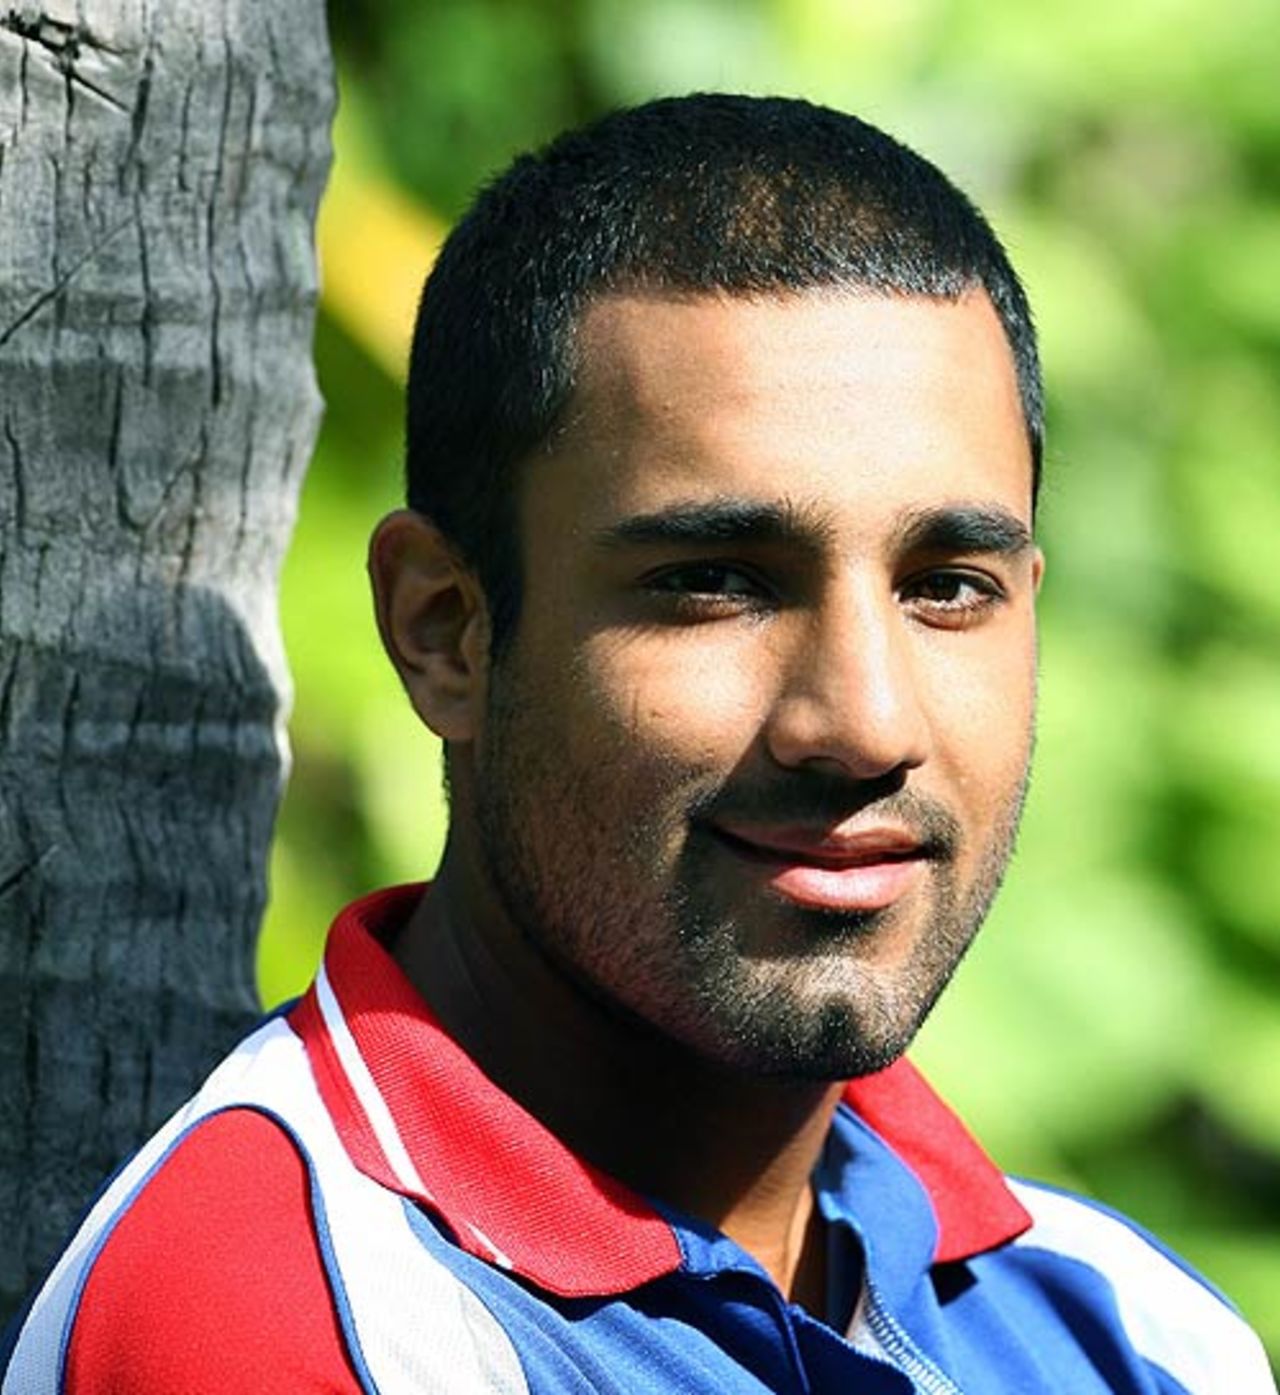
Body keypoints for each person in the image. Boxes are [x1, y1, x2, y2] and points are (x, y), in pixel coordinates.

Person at [3, 93, 1274, 1395]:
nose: (866, 724)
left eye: (946, 584)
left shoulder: (1132, 1331)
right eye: (716, 580)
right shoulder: (292, 1327)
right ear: (445, 631)